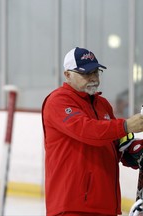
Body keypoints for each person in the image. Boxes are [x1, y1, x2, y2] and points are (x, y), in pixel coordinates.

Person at [41, 47, 143, 216]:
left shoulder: (102, 104)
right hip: (72, 206)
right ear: (67, 75)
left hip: (105, 204)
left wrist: (135, 151)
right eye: (86, 74)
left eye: (96, 72)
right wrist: (126, 126)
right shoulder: (58, 101)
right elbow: (87, 131)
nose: (94, 78)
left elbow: (117, 145)